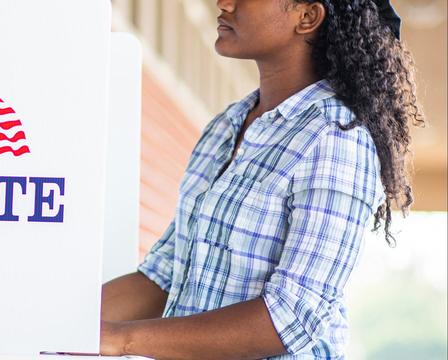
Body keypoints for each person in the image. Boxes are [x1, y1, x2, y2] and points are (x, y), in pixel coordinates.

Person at [99, 0, 424, 359]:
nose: (224, 3)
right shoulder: (226, 126)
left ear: (307, 16)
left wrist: (121, 340)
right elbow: (163, 275)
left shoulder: (336, 138)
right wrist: (57, 324)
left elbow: (291, 316)